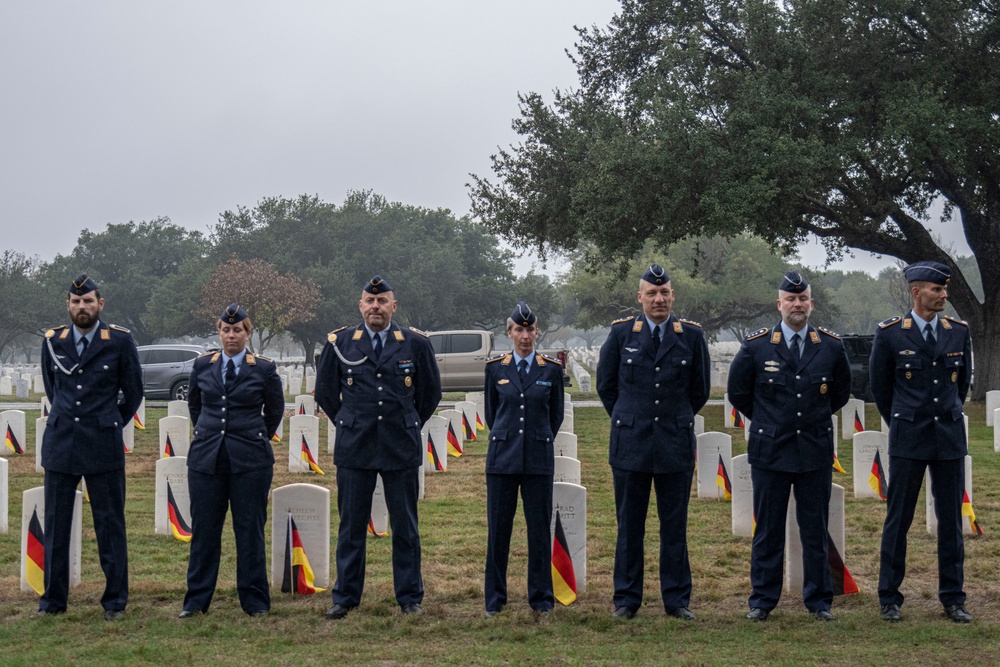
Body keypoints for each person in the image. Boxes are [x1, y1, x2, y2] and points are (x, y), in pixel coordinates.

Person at [315, 275, 442, 619]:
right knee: (351, 526)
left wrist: (408, 420)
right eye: (370, 302)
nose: (376, 307)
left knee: (405, 526)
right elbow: (325, 392)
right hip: (356, 445)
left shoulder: (414, 343)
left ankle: (409, 597)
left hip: (399, 445)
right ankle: (345, 597)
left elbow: (430, 394)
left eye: (382, 301)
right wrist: (349, 419)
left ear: (393, 306)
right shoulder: (341, 342)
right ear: (360, 305)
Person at [727, 272, 851, 622]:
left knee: (814, 527)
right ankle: (763, 600)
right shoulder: (757, 346)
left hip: (813, 449)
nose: (797, 305)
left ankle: (819, 600)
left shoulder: (829, 345)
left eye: (803, 299)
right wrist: (769, 421)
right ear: (779, 304)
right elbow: (739, 393)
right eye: (790, 299)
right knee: (768, 528)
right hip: (771, 452)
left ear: (811, 303)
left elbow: (839, 393)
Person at [596, 264, 710, 620]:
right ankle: (627, 599)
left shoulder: (690, 336)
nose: (658, 299)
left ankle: (676, 599)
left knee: (674, 526)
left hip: (673, 443)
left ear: (673, 296)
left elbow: (700, 390)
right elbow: (606, 386)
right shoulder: (620, 335)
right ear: (639, 298)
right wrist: (630, 417)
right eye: (651, 293)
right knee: (629, 525)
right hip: (631, 444)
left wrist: (673, 418)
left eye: (664, 293)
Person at [870, 261, 973, 623]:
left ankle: (953, 597)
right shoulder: (892, 334)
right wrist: (903, 418)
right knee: (898, 520)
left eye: (944, 289)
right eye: (937, 290)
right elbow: (882, 389)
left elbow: (961, 386)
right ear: (917, 292)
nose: (944, 295)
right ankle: (889, 596)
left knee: (950, 521)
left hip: (947, 437)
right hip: (909, 437)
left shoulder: (958, 332)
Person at [38, 275, 143, 620]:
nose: (81, 307)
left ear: (100, 304)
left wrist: (109, 420)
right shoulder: (54, 341)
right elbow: (55, 391)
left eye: (88, 301)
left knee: (109, 525)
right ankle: (53, 601)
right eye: (75, 301)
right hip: (62, 442)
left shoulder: (120, 341)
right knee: (55, 526)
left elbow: (133, 392)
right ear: (68, 305)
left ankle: (114, 602)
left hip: (102, 444)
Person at [179, 304, 284, 618]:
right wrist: (209, 432)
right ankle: (196, 602)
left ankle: (254, 602)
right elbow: (195, 405)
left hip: (250, 461)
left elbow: (274, 411)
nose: (231, 335)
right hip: (207, 460)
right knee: (205, 533)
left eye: (237, 330)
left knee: (249, 531)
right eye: (226, 330)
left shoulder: (263, 368)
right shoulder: (203, 365)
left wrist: (253, 436)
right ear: (219, 332)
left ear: (247, 333)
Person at [482, 302, 564, 618]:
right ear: (509, 333)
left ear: (537, 332)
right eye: (519, 330)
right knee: (498, 531)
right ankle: (495, 598)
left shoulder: (551, 369)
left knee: (539, 531)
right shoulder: (495, 368)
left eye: (530, 329)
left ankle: (541, 597)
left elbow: (554, 416)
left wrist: (536, 437)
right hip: (502, 460)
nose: (525, 336)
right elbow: (493, 415)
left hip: (538, 458)